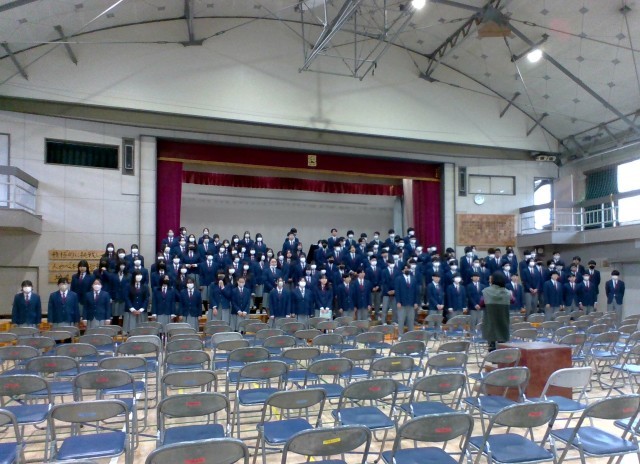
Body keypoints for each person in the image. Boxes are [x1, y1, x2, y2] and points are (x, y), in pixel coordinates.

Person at [481, 271, 511, 352]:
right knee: (503, 346)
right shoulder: (507, 292)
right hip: (503, 321)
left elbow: (481, 303)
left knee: (492, 346)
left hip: (490, 321)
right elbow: (513, 300)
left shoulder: (486, 291)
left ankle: (492, 356)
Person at [395, 264, 420, 335]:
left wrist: (416, 302)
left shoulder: (414, 279)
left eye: (408, 268)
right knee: (401, 320)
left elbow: (416, 292)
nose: (407, 270)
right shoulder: (398, 279)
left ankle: (410, 335)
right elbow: (397, 291)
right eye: (405, 268)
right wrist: (398, 301)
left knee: (411, 321)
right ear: (402, 270)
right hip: (402, 303)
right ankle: (400, 335)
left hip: (411, 303)